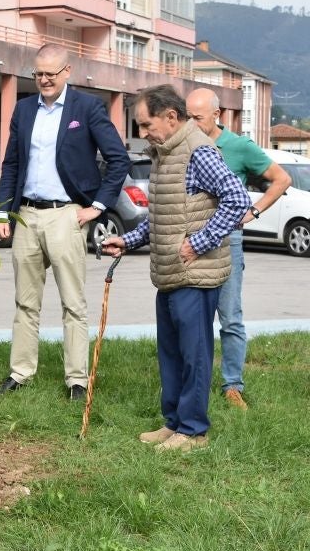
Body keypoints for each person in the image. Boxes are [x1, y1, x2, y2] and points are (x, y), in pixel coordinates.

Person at [102, 84, 250, 452]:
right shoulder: (164, 153)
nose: (142, 133)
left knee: (194, 353)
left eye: (146, 124)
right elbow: (163, 214)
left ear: (171, 117)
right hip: (170, 273)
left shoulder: (198, 151)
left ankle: (194, 431)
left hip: (195, 275)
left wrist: (200, 242)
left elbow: (238, 199)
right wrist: (129, 239)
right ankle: (174, 423)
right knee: (171, 352)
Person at [0, 44, 130, 400]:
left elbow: (118, 160)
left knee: (73, 302)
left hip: (67, 214)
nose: (44, 80)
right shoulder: (23, 110)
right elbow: (11, 166)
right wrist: (4, 211)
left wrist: (97, 205)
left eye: (51, 73)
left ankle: (76, 380)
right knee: (25, 301)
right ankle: (20, 372)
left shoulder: (88, 107)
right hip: (27, 216)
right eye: (38, 73)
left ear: (68, 71)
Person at [185, 88, 292, 410]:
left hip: (226, 243)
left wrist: (254, 211)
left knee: (230, 318)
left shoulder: (239, 147)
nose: (191, 124)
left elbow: (281, 179)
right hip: (190, 242)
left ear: (217, 115)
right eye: (187, 117)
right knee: (194, 319)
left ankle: (232, 386)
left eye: (197, 118)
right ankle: (195, 383)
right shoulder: (185, 146)